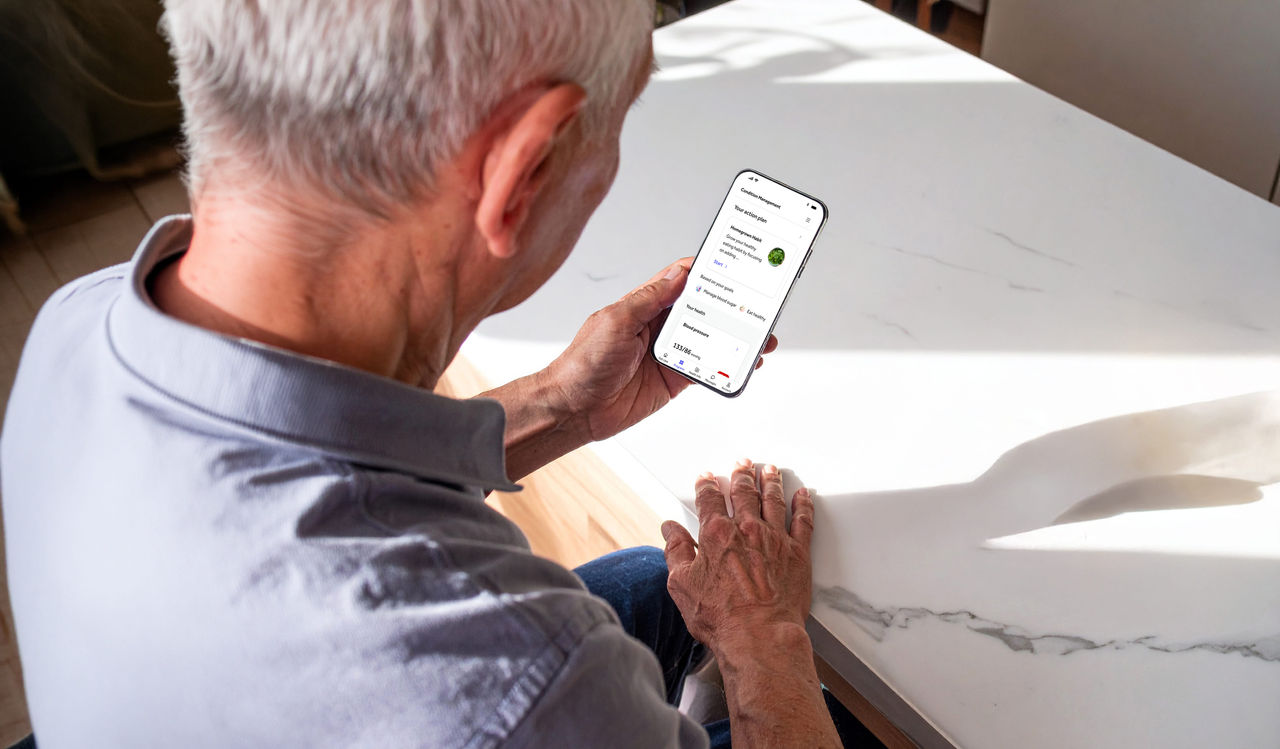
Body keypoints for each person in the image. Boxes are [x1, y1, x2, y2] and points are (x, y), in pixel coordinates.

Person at [1, 2, 873, 747]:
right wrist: (765, 638)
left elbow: (315, 449)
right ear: (519, 171)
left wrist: (560, 405)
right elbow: (514, 688)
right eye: (621, 117)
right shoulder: (523, 679)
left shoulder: (80, 321)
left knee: (653, 581)